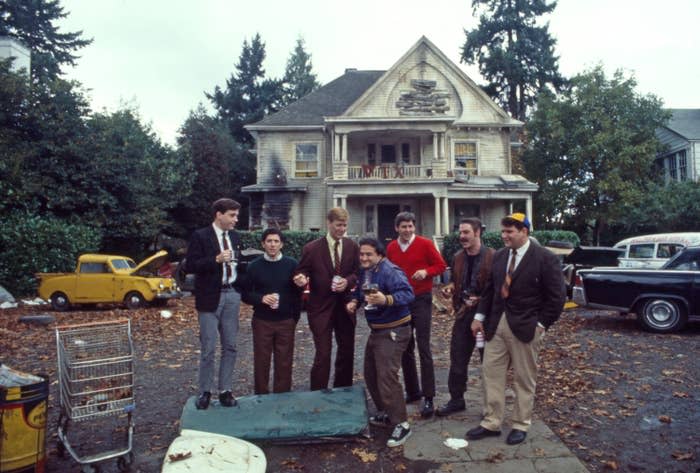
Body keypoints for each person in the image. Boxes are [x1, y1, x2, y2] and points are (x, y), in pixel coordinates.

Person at [467, 213, 566, 445]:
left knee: (524, 378)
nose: (504, 236)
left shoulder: (545, 258)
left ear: (524, 232)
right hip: (495, 325)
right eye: (503, 231)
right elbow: (490, 290)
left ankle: (521, 424)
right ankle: (491, 422)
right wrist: (479, 317)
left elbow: (557, 298)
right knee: (491, 373)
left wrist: (541, 325)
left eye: (510, 232)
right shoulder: (500, 256)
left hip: (526, 327)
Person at [346, 237, 415, 447]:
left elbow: (408, 293)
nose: (364, 258)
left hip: (394, 330)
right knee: (371, 373)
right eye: (362, 254)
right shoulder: (367, 271)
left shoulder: (390, 271)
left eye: (369, 254)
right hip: (377, 330)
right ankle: (387, 413)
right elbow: (361, 291)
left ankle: (402, 424)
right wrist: (355, 301)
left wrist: (387, 299)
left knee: (386, 377)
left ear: (380, 255)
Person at [185, 198, 244, 410]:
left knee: (230, 346)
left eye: (236, 215)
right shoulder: (200, 236)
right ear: (219, 214)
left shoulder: (235, 237)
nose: (236, 220)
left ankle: (225, 390)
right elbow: (190, 265)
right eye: (232, 215)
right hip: (209, 298)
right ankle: (205, 391)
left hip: (231, 295)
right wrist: (216, 259)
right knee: (209, 348)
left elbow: (240, 265)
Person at [386, 211, 446, 417]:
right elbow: (388, 270)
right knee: (405, 347)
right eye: (403, 227)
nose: (407, 230)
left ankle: (428, 396)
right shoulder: (392, 247)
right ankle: (413, 392)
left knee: (423, 346)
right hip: (401, 302)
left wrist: (426, 272)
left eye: (411, 226)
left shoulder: (425, 244)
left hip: (421, 299)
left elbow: (440, 265)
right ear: (397, 228)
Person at [293, 208, 360, 390]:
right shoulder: (312, 248)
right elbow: (302, 270)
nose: (342, 229)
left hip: (345, 308)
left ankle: (343, 390)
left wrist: (347, 281)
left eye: (344, 225)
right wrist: (300, 278)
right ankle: (318, 392)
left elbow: (357, 272)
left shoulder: (352, 246)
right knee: (323, 353)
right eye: (338, 225)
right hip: (320, 308)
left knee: (346, 351)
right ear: (328, 223)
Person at [436, 217, 495, 416]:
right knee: (458, 359)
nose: (462, 237)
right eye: (460, 232)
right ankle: (456, 399)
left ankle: (492, 406)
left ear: (477, 233)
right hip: (463, 316)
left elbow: (495, 289)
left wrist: (479, 300)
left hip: (486, 319)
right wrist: (450, 288)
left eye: (466, 232)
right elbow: (455, 281)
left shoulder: (493, 257)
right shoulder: (458, 257)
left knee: (489, 362)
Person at [243, 228, 300, 395]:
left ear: (281, 244)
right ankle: (261, 396)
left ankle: (282, 397)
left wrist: (292, 318)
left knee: (284, 361)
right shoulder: (254, 266)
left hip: (285, 320)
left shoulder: (292, 264)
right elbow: (246, 294)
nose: (273, 245)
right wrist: (261, 299)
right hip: (262, 320)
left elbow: (297, 294)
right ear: (263, 244)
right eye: (269, 241)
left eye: (276, 241)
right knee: (261, 361)